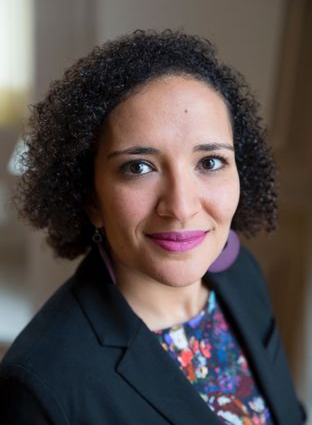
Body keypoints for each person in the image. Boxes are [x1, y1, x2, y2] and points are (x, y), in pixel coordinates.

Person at [0, 30, 305, 425]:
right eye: (138, 167)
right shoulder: (42, 385)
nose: (180, 207)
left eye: (210, 162)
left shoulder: (242, 274)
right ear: (91, 199)